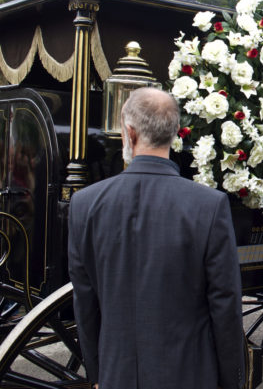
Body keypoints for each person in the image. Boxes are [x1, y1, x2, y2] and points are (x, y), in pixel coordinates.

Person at [68, 87, 245, 389]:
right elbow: (225, 306)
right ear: (176, 133)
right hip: (190, 374)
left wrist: (98, 374)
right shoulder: (208, 206)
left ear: (130, 133)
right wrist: (233, 381)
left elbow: (85, 303)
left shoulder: (85, 204)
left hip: (117, 373)